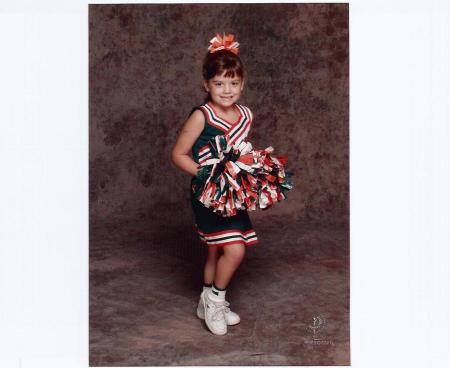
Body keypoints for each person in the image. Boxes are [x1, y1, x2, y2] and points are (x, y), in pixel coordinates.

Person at [171, 34, 259, 336]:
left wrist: (252, 166)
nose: (227, 90)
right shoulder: (202, 115)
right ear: (207, 84)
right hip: (207, 193)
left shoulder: (246, 116)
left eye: (233, 83)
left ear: (242, 84)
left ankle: (205, 301)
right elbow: (178, 155)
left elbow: (240, 151)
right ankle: (216, 301)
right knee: (234, 250)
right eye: (219, 83)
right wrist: (208, 176)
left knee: (216, 251)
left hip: (233, 193)